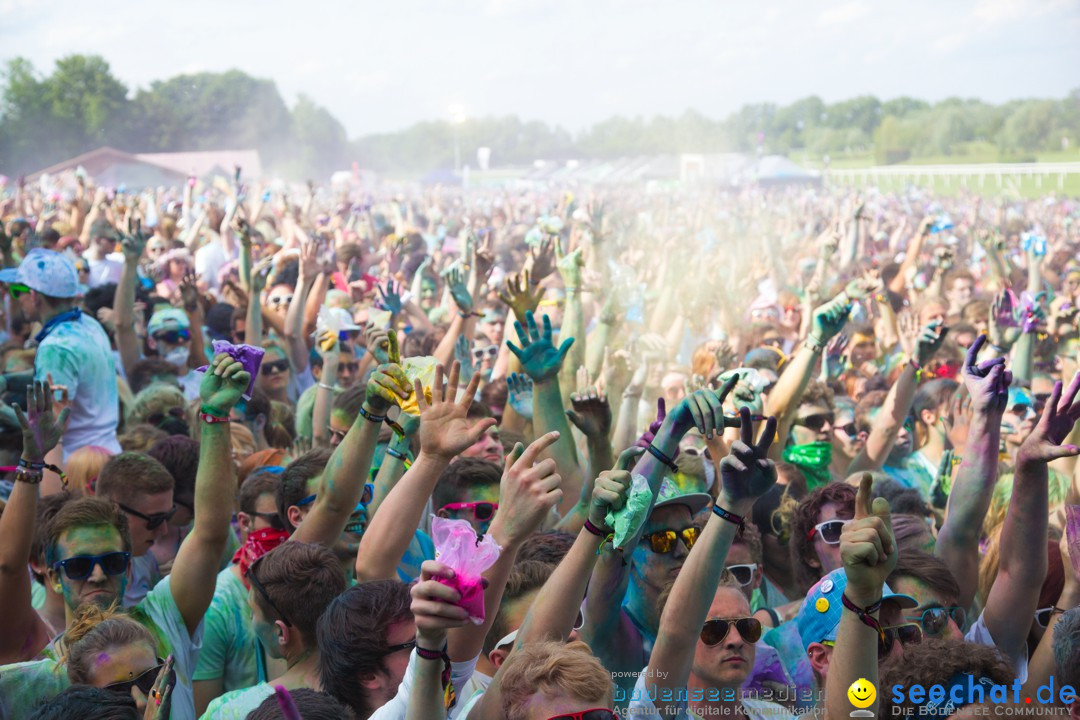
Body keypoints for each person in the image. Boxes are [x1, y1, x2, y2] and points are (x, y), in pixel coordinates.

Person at [0, 353, 250, 718]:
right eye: (80, 565)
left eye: (112, 561)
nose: (98, 574)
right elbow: (8, 567)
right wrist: (31, 465)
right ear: (53, 577)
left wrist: (213, 415)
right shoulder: (42, 668)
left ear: (130, 569)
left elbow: (210, 534)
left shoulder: (164, 619)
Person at [200, 541, 347, 719]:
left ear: (281, 632)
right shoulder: (374, 690)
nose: (251, 620)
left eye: (253, 613)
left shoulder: (229, 712)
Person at [1, 247, 121, 458]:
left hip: (74, 466)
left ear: (34, 296)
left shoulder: (56, 348)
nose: (17, 299)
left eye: (17, 291)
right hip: (105, 452)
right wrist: (8, 381)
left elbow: (48, 432)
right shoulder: (89, 324)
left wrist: (2, 412)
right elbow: (63, 379)